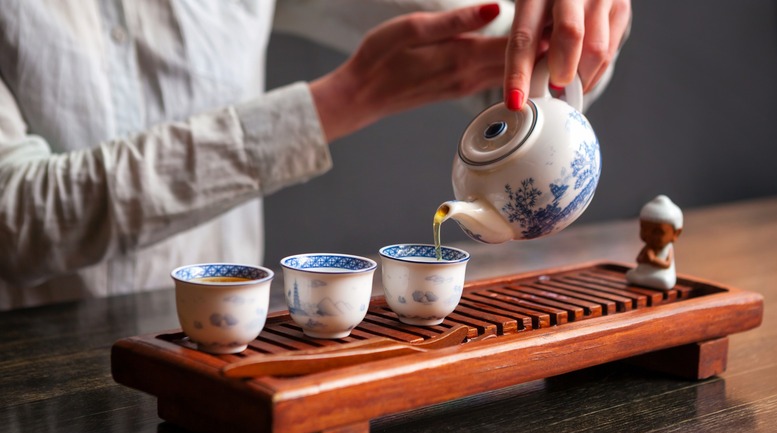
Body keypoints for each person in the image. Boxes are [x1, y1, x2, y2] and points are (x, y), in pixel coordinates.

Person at [0, 1, 631, 309]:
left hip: (226, 364)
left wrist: (567, 31)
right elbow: (17, 220)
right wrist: (344, 99)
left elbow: (495, 38)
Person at [626, 195, 684, 290]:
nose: (648, 235)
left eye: (657, 232)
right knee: (630, 275)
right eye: (644, 229)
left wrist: (653, 260)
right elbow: (638, 259)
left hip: (662, 275)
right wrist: (644, 259)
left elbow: (667, 265)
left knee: (665, 282)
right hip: (642, 272)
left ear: (676, 234)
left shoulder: (668, 248)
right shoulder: (647, 248)